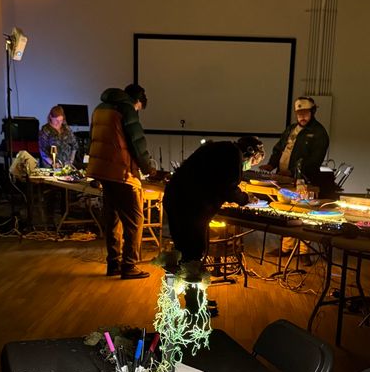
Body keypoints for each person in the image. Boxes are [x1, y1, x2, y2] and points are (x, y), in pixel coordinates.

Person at [87, 84, 155, 280]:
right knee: (135, 221)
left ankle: (113, 263)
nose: (138, 111)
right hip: (121, 173)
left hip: (103, 172)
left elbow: (95, 138)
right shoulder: (126, 109)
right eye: (139, 108)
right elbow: (137, 143)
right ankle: (129, 266)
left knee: (113, 219)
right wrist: (148, 168)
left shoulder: (100, 108)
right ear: (138, 101)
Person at [163, 140, 250, 264]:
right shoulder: (234, 154)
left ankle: (179, 273)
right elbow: (228, 187)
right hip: (192, 205)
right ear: (250, 153)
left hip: (174, 197)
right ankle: (190, 273)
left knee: (181, 247)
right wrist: (245, 199)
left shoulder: (216, 148)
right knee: (194, 250)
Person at [267, 97, 334, 198]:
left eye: (305, 113)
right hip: (282, 179)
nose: (302, 117)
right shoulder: (291, 129)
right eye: (299, 114)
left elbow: (315, 160)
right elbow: (279, 148)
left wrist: (292, 171)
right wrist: (271, 164)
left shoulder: (319, 133)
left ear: (312, 112)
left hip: (303, 182)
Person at [38, 105, 78, 169]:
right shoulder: (45, 129)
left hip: (66, 166)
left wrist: (71, 161)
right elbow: (42, 150)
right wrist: (52, 163)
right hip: (50, 166)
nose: (59, 123)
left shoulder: (66, 128)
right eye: (56, 120)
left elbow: (74, 145)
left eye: (61, 120)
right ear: (51, 117)